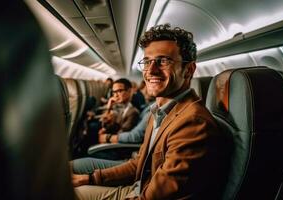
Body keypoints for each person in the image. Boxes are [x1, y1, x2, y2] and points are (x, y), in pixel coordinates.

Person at [72, 23, 230, 199]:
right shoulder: (159, 111)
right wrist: (90, 178)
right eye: (147, 62)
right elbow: (139, 164)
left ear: (189, 70)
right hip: (140, 185)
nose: (151, 70)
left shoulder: (193, 123)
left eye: (163, 61)